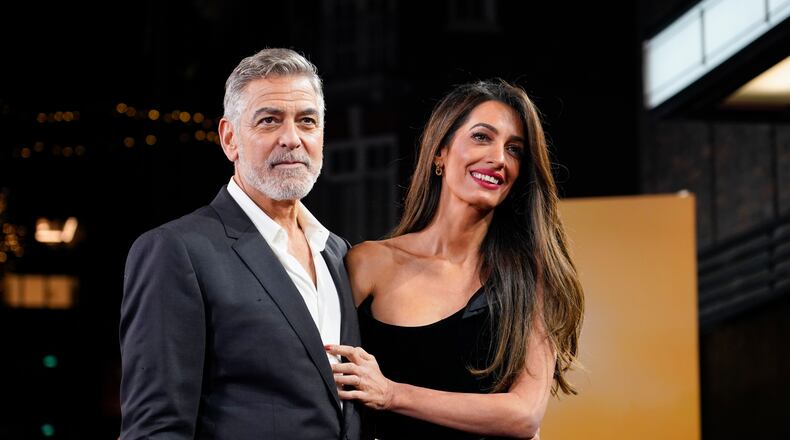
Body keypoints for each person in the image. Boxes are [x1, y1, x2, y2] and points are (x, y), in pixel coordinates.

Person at [119, 48, 361, 440]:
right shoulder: (175, 251)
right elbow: (156, 428)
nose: (292, 139)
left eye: (307, 122)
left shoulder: (338, 253)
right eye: (269, 121)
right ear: (229, 138)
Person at [326, 80, 584, 439]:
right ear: (440, 153)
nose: (498, 159)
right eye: (482, 137)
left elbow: (524, 415)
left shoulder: (529, 275)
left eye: (514, 149)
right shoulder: (369, 263)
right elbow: (320, 379)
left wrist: (392, 393)